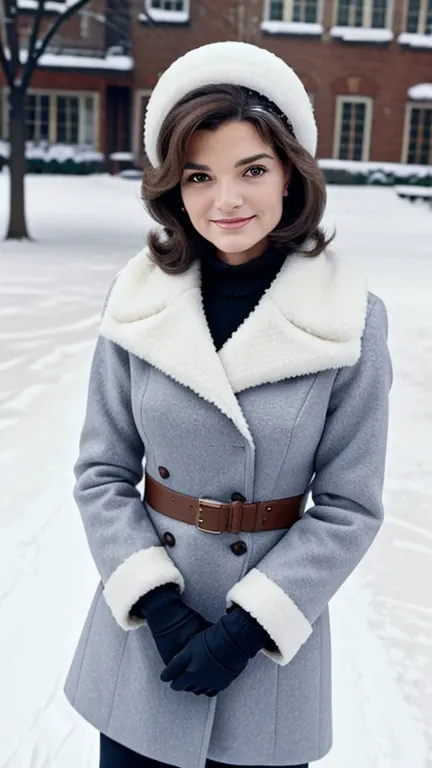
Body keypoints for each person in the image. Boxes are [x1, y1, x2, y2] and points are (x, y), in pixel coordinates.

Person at [63, 41, 393, 768]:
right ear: (174, 190)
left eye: (252, 170)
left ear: (290, 176)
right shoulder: (139, 304)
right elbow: (100, 474)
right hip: (144, 644)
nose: (227, 200)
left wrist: (246, 630)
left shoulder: (350, 320)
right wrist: (157, 606)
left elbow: (350, 507)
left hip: (271, 654)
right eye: (199, 176)